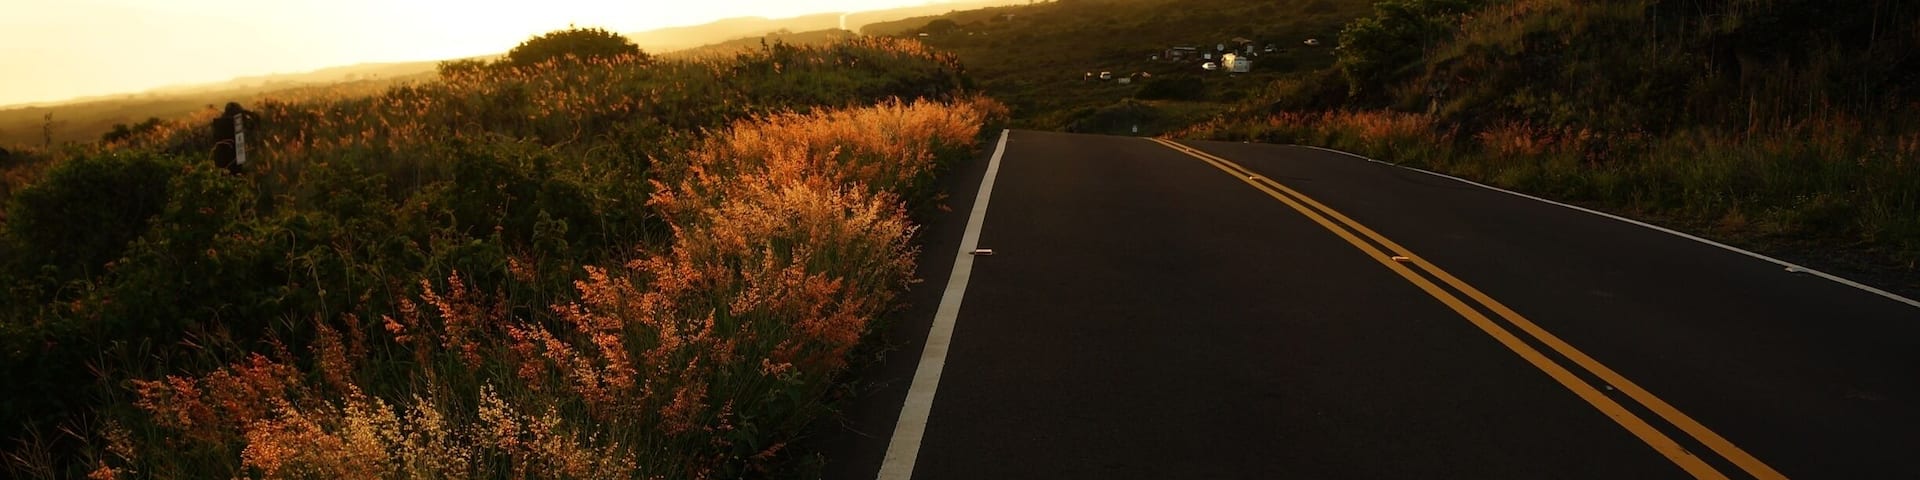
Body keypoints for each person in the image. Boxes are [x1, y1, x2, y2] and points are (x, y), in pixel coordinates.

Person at [210, 102, 255, 174]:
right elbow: (240, 155)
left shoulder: (218, 124)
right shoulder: (237, 124)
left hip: (220, 168)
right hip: (234, 169)